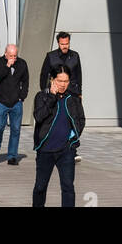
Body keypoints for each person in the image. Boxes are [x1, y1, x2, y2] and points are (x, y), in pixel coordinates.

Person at [32, 68, 85, 208]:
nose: (62, 84)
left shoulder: (73, 99)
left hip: (66, 150)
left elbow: (81, 120)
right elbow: (39, 117)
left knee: (68, 187)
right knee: (40, 187)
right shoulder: (41, 96)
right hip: (45, 150)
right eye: (59, 81)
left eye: (66, 81)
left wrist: (73, 139)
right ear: (52, 80)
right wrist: (51, 97)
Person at [0, 43, 29, 164]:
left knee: (16, 129)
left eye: (15, 56)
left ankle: (12, 156)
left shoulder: (22, 63)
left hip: (16, 102)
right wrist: (7, 66)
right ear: (5, 54)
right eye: (11, 55)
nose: (13, 58)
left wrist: (22, 97)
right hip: (1, 101)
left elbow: (26, 81)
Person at [39, 32, 82, 96]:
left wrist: (79, 93)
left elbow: (79, 75)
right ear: (58, 43)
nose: (65, 46)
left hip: (72, 92)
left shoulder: (75, 55)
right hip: (55, 92)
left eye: (67, 44)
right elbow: (44, 75)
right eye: (62, 44)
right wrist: (44, 92)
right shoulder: (50, 56)